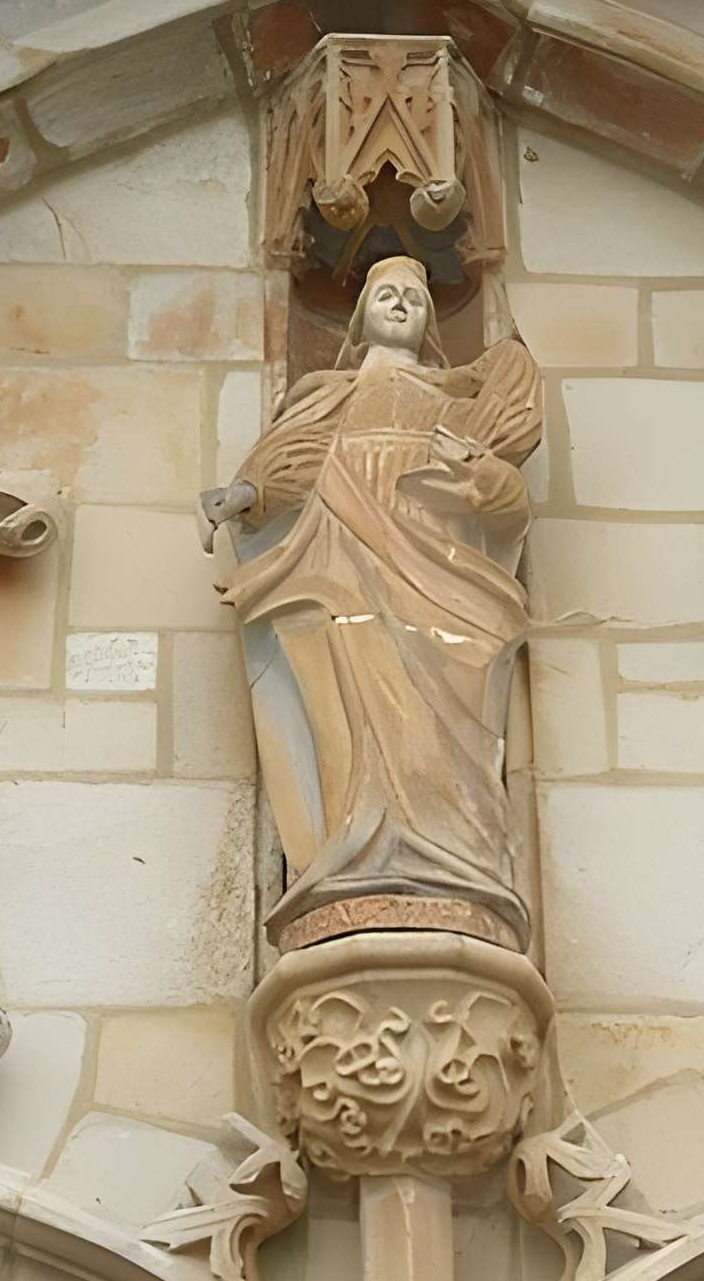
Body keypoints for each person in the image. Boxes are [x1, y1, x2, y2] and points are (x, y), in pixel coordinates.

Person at [200, 259, 542, 948]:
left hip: (440, 581)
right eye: (385, 294)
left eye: (415, 298)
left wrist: (478, 477)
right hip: (337, 565)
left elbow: (505, 500)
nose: (400, 304)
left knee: (444, 721)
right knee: (345, 714)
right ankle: (348, 854)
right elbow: (281, 469)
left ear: (430, 323)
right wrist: (241, 498)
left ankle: (458, 862)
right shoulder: (327, 395)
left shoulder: (457, 401)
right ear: (357, 320)